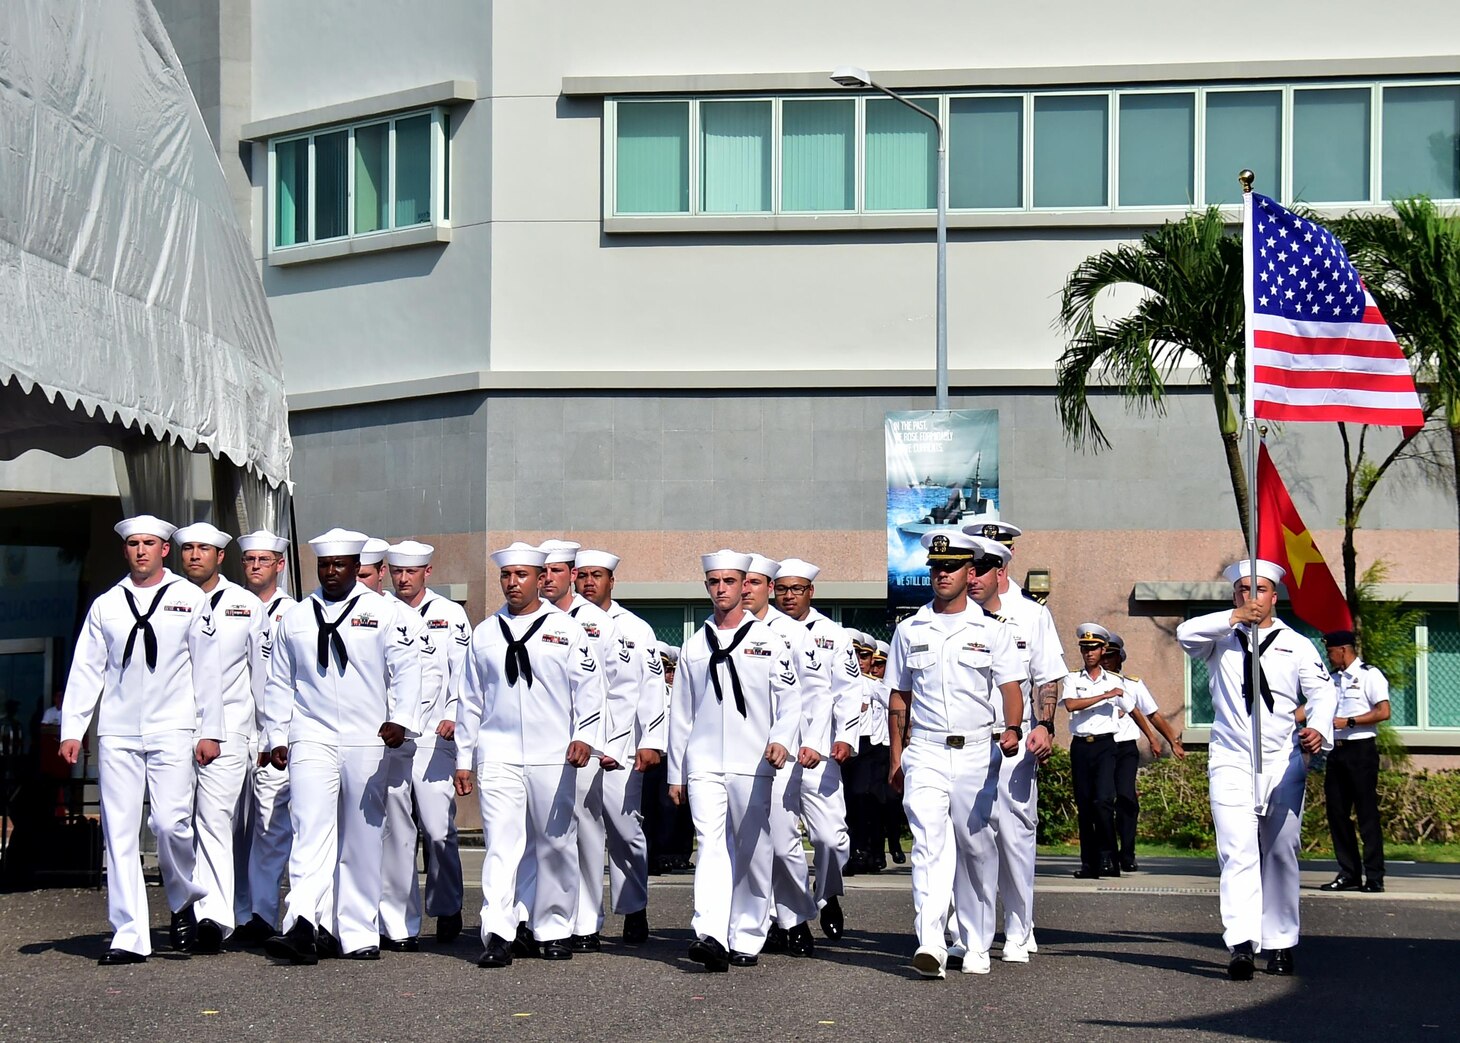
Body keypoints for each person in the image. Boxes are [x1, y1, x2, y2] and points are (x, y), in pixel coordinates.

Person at [59, 515, 224, 965]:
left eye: (149, 543)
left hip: (173, 727)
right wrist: (73, 728)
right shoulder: (107, 604)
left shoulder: (189, 598)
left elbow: (208, 670)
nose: (141, 551)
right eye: (133, 544)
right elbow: (87, 667)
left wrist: (211, 730)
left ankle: (182, 900)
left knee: (171, 824)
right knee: (119, 831)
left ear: (165, 549)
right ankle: (129, 934)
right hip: (118, 728)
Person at [262, 528, 424, 964]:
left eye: (340, 565)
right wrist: (277, 734)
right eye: (324, 565)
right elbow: (279, 681)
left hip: (365, 736)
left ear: (357, 568)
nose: (331, 572)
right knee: (309, 830)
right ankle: (302, 924)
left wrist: (402, 721)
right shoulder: (296, 616)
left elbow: (407, 669)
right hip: (311, 733)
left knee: (362, 835)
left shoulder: (383, 612)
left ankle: (356, 931)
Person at [1177, 559, 1333, 980]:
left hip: (1282, 760)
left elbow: (1322, 692)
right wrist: (1232, 619)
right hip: (1231, 758)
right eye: (1242, 590)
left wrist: (1317, 728)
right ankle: (1242, 943)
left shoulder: (1296, 644)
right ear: (1233, 597)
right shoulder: (1218, 639)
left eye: (1259, 590)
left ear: (1274, 596)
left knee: (1281, 851)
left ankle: (1280, 941)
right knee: (1237, 849)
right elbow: (1184, 634)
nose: (1251, 598)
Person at [453, 542, 606, 969]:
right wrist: (464, 758)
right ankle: (499, 932)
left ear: (542, 580)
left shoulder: (567, 629)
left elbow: (590, 691)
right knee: (502, 845)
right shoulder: (484, 633)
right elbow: (469, 701)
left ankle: (554, 926)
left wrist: (584, 737)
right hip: (498, 752)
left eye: (521, 576)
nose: (512, 583)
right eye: (506, 576)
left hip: (552, 753)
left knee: (555, 843)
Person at [886, 531, 1025, 979]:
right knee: (928, 844)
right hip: (925, 748)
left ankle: (977, 941)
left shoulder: (991, 630)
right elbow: (899, 698)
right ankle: (930, 940)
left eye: (951, 567)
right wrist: (896, 757)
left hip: (976, 752)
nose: (941, 573)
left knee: (976, 848)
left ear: (971, 572)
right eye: (935, 566)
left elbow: (1010, 689)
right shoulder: (909, 630)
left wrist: (1014, 728)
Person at [669, 550, 801, 971]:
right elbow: (681, 713)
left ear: (745, 585)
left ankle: (747, 931)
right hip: (704, 761)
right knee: (710, 844)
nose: (721, 589)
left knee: (752, 848)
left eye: (729, 581)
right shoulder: (694, 645)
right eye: (714, 582)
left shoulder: (769, 640)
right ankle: (710, 933)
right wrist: (678, 772)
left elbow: (790, 700)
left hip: (753, 761)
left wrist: (781, 740)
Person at [963, 525, 1065, 963]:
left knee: (1015, 838)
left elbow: (1047, 676)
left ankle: (1019, 929)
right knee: (966, 836)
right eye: (967, 568)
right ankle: (966, 931)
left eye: (981, 568)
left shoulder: (1031, 615)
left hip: (1015, 739)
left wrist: (1045, 724)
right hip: (963, 740)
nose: (970, 578)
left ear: (1000, 569)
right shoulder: (947, 615)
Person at [174, 521, 267, 954]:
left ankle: (211, 918)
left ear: (220, 557)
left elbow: (262, 675)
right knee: (174, 824)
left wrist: (266, 734)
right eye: (188, 548)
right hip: (174, 729)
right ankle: (184, 905)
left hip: (230, 731)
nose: (194, 555)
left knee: (215, 822)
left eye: (203, 550)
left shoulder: (245, 604)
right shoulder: (170, 600)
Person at [379, 540, 471, 951]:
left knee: (437, 830)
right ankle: (399, 917)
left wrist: (454, 714)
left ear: (426, 573)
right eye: (397, 572)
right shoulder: (380, 611)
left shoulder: (450, 615)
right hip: (393, 739)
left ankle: (448, 905)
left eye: (410, 572)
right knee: (396, 832)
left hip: (436, 736)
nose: (403, 579)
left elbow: (463, 674)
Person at [574, 547, 666, 946]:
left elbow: (651, 689)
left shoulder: (636, 628)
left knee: (626, 829)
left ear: (612, 581)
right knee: (583, 833)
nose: (589, 582)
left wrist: (651, 741)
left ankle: (633, 906)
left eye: (598, 575)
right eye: (583, 576)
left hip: (622, 745)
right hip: (578, 747)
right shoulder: (563, 621)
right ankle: (585, 919)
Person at [772, 558, 861, 940]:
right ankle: (785, 917)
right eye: (782, 589)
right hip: (777, 749)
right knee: (778, 840)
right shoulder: (763, 629)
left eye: (796, 589)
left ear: (811, 591)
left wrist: (846, 737)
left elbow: (848, 690)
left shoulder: (833, 634)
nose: (788, 596)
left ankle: (827, 893)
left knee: (829, 838)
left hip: (819, 748)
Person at [740, 552, 820, 957]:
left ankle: (795, 917)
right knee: (747, 841)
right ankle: (764, 918)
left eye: (754, 583)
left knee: (784, 840)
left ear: (768, 588)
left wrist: (812, 742)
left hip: (782, 751)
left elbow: (816, 692)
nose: (746, 590)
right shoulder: (721, 631)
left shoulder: (790, 633)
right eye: (743, 582)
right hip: (736, 753)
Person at [232, 528, 297, 946]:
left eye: (263, 560)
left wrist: (279, 736)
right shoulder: (229, 608)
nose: (255, 566)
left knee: (272, 827)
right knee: (234, 828)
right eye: (249, 560)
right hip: (236, 729)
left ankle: (261, 913)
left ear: (280, 565)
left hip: (276, 734)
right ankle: (233, 911)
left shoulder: (294, 613)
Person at [1101, 632, 1185, 873]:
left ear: (1120, 658)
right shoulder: (1090, 684)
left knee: (1127, 798)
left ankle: (1127, 853)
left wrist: (1171, 741)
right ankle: (1105, 854)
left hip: (1125, 748)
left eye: (1111, 656)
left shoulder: (1133, 685)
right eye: (1103, 656)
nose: (1106, 660)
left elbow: (1153, 715)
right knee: (1103, 801)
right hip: (1099, 748)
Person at [1320, 629, 1390, 894]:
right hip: (1337, 751)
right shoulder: (1332, 679)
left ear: (1343, 650)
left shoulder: (1369, 675)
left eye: (1330, 651)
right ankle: (1349, 873)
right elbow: (1315, 706)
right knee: (1337, 813)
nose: (1329, 656)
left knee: (1366, 814)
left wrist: (1350, 721)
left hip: (1361, 750)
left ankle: (1374, 876)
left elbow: (1383, 711)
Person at [1060, 623, 1124, 879]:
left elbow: (1131, 706)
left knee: (1104, 802)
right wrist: (1103, 697)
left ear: (1103, 650)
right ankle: (1090, 863)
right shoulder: (1073, 678)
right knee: (1085, 805)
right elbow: (1071, 704)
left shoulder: (1116, 680)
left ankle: (1110, 857)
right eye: (1085, 648)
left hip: (1106, 745)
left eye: (1094, 648)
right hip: (1081, 746)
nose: (1089, 653)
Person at [645, 646, 693, 875]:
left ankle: (678, 854)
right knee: (655, 809)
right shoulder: (653, 690)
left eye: (673, 670)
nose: (670, 675)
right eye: (666, 670)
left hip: (678, 755)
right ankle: (657, 855)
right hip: (657, 754)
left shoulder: (682, 691)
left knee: (680, 810)